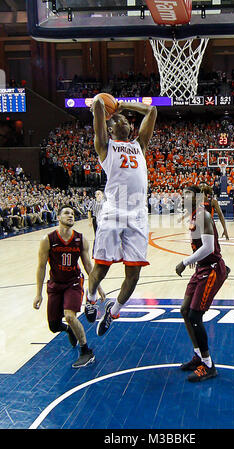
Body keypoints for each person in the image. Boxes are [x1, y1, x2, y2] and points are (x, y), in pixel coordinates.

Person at [87, 95, 157, 336]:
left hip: (137, 215)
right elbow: (97, 104)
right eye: (120, 120)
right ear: (109, 127)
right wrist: (105, 107)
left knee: (134, 274)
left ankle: (113, 311)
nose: (127, 122)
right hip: (114, 211)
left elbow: (151, 111)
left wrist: (123, 105)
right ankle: (90, 297)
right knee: (102, 267)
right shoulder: (104, 147)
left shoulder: (140, 145)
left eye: (127, 120)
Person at [33, 205, 104, 368]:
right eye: (66, 213)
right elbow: (41, 266)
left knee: (70, 315)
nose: (70, 216)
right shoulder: (48, 239)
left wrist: (97, 286)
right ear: (58, 217)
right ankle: (69, 330)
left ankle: (86, 351)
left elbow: (88, 265)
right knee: (54, 326)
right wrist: (38, 293)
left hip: (73, 282)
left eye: (72, 213)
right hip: (55, 284)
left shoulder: (80, 239)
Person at [175, 185, 229, 383]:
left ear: (198, 198)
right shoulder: (194, 216)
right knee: (184, 310)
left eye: (188, 194)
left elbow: (208, 247)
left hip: (212, 269)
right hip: (201, 269)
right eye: (183, 193)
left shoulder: (203, 216)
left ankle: (208, 365)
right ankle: (198, 354)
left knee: (195, 315)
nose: (183, 196)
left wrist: (185, 262)